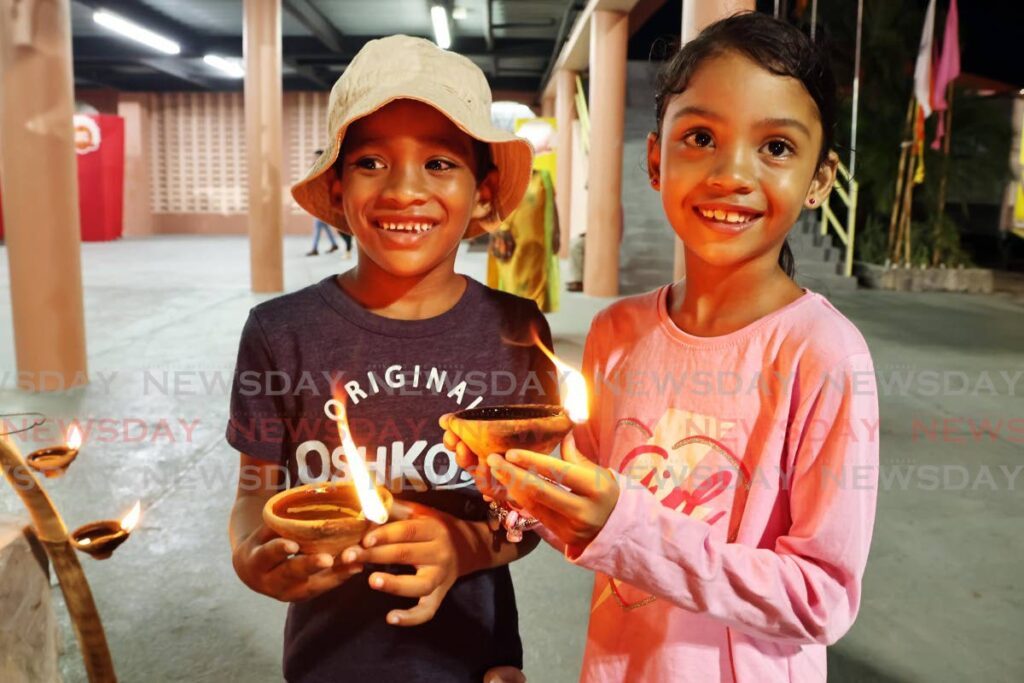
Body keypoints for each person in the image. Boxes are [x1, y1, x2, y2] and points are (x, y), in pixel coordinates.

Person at [443, 13, 879, 682]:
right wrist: (525, 486)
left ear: (820, 180)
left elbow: (821, 596)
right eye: (701, 137)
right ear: (655, 159)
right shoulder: (617, 333)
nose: (733, 173)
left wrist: (627, 525)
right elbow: (590, 519)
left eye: (777, 147)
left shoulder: (821, 354)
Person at [227, 35, 557, 683]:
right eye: (372, 161)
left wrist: (464, 547)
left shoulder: (516, 330)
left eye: (439, 163)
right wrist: (249, 554)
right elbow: (252, 490)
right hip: (328, 661)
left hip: (475, 657)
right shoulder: (278, 332)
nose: (405, 190)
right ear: (337, 185)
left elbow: (534, 510)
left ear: (484, 191)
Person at [305, 149, 352, 258]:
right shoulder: (315, 168)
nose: (314, 159)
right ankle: (333, 244)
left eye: (316, 157)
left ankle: (316, 248)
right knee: (322, 226)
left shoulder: (329, 169)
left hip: (327, 202)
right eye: (314, 157)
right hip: (320, 202)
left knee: (321, 225)